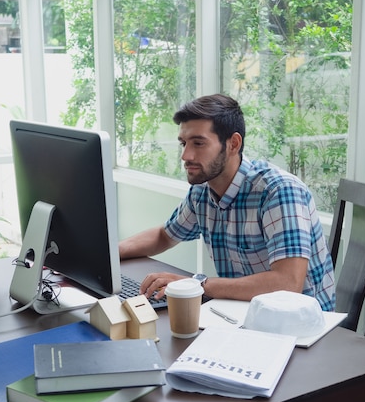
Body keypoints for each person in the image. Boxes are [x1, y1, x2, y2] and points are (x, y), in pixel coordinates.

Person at [119, 94, 335, 312]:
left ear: (233, 144)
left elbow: (287, 284)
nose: (185, 155)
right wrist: (109, 254)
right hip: (241, 312)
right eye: (183, 144)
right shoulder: (203, 189)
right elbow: (165, 235)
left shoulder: (278, 191)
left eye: (198, 143)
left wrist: (196, 284)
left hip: (301, 325)